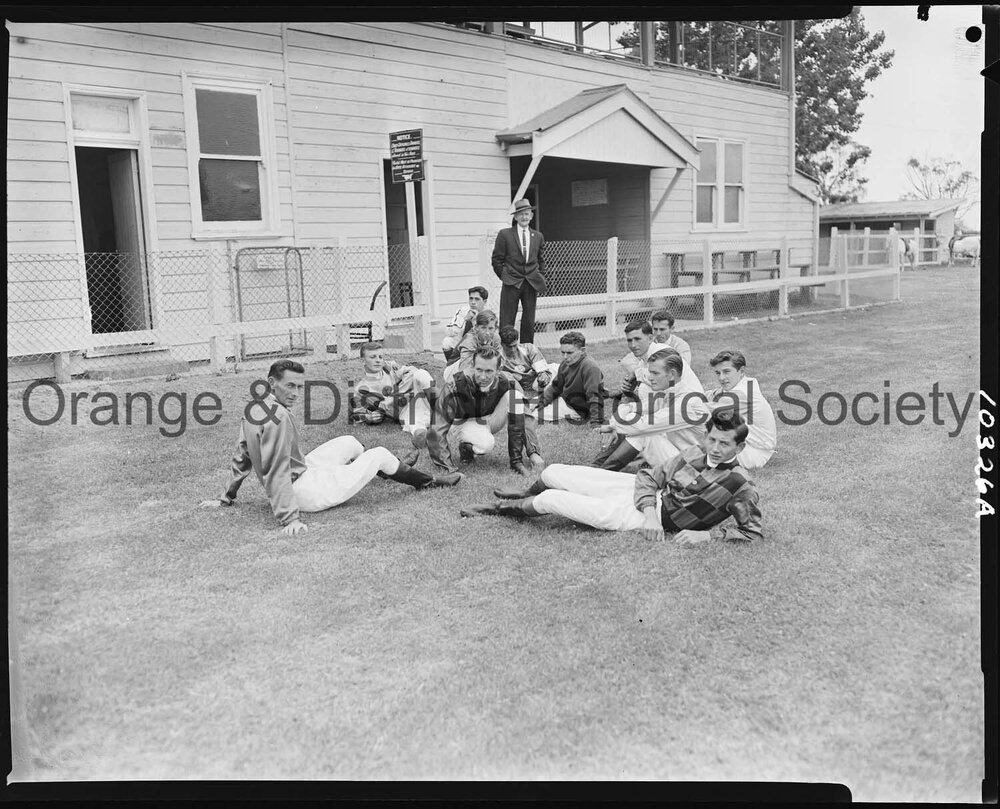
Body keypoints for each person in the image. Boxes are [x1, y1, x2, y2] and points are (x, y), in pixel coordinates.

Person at [200, 359, 462, 534]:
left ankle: (388, 470)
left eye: (299, 386)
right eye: (289, 386)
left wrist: (226, 497)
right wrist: (290, 519)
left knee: (350, 442)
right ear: (271, 383)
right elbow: (277, 468)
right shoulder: (278, 416)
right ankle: (426, 482)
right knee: (380, 454)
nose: (295, 393)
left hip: (300, 473)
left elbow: (242, 454)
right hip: (302, 491)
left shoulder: (254, 408)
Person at [460, 410, 762, 548]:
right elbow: (649, 477)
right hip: (646, 501)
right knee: (553, 472)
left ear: (739, 447)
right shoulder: (695, 451)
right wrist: (650, 512)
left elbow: (752, 532)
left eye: (725, 444)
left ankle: (498, 510)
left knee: (552, 499)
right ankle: (523, 493)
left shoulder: (740, 485)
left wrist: (706, 536)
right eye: (712, 439)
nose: (716, 448)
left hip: (650, 515)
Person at [427, 346, 543, 476]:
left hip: (491, 419)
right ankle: (466, 447)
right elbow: (436, 429)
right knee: (486, 445)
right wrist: (448, 468)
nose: (483, 376)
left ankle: (516, 461)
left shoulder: (508, 380)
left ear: (498, 370)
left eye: (488, 371)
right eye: (479, 370)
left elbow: (525, 415)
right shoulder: (455, 384)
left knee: (515, 396)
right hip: (463, 422)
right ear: (472, 366)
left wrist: (533, 452)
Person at [592, 348, 709, 471]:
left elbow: (643, 426)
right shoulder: (669, 393)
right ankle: (600, 470)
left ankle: (601, 472)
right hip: (680, 457)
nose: (650, 377)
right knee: (640, 430)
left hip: (695, 469)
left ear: (672, 375)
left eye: (655, 373)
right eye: (650, 372)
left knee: (645, 434)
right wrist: (613, 425)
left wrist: (613, 426)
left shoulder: (689, 402)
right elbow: (629, 407)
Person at [348, 341, 437, 467]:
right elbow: (355, 415)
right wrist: (369, 417)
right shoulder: (362, 389)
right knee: (415, 423)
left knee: (421, 374)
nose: (378, 360)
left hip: (421, 397)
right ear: (363, 360)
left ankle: (439, 408)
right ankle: (421, 434)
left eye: (380, 357)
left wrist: (390, 399)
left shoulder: (389, 367)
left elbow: (412, 372)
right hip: (405, 411)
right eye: (372, 357)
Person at [704, 349, 777, 471]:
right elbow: (705, 396)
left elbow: (701, 411)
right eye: (718, 373)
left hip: (754, 451)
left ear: (741, 371)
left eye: (726, 371)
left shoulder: (744, 393)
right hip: (740, 444)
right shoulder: (735, 386)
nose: (721, 378)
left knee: (694, 436)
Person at [491, 198, 547, 344]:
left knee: (529, 319)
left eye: (527, 214)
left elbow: (541, 260)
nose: (524, 217)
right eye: (521, 214)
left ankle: (527, 349)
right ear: (515, 217)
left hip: (531, 282)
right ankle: (506, 348)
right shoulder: (505, 234)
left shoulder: (538, 236)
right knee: (507, 319)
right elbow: (496, 260)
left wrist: (539, 275)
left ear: (531, 216)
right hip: (511, 282)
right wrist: (505, 276)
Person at [530, 331, 608, 425]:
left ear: (582, 351)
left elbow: (594, 396)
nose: (565, 357)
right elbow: (556, 386)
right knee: (527, 405)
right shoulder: (566, 363)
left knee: (532, 415)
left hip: (576, 409)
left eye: (570, 353)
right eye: (563, 352)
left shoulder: (590, 368)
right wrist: (542, 401)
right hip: (564, 399)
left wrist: (596, 423)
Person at [497, 324, 558, 397]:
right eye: (509, 347)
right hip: (520, 385)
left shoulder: (529, 348)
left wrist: (543, 376)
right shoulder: (498, 357)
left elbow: (543, 369)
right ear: (502, 344)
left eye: (515, 345)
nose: (513, 350)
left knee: (554, 374)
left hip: (536, 380)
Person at [443, 309, 502, 384]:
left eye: (490, 328)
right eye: (483, 328)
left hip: (479, 367)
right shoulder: (469, 340)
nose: (487, 332)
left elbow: (501, 360)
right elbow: (464, 368)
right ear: (476, 327)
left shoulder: (496, 338)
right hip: (454, 372)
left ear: (495, 328)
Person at [441, 286, 489, 364]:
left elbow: (486, 337)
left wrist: (475, 321)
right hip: (461, 341)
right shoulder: (463, 311)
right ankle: (452, 365)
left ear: (484, 301)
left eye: (477, 299)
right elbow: (448, 331)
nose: (473, 302)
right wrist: (464, 320)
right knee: (447, 341)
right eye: (471, 298)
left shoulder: (488, 314)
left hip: (479, 345)